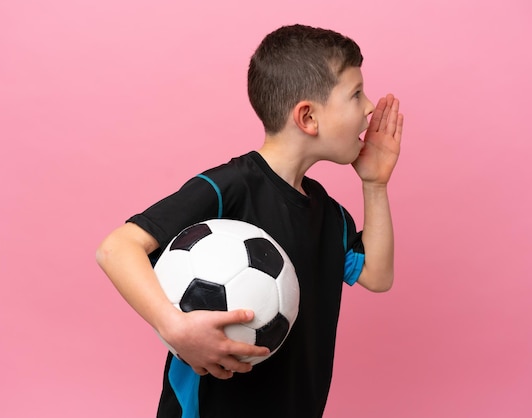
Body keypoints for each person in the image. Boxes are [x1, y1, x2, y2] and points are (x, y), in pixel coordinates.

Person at [96, 24, 403, 418]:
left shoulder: (327, 212)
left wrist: (375, 185)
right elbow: (116, 248)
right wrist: (175, 328)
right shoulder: (231, 187)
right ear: (308, 117)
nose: (368, 107)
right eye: (355, 93)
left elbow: (377, 276)